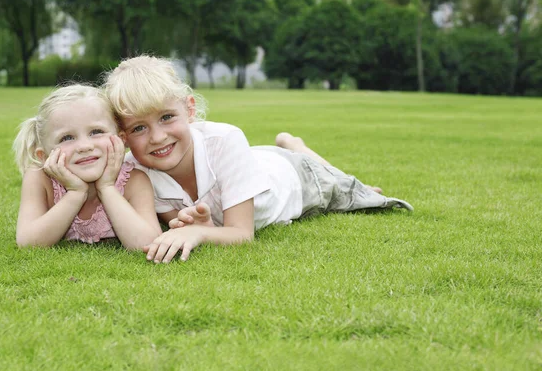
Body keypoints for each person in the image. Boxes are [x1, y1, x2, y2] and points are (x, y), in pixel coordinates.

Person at [103, 55, 413, 263]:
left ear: (190, 109)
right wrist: (200, 224)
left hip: (296, 178)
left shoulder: (225, 138)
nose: (157, 137)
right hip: (255, 163)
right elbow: (184, 222)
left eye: (167, 117)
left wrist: (197, 232)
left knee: (349, 189)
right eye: (139, 128)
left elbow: (241, 234)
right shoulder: (137, 173)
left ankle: (295, 146)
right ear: (123, 136)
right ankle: (290, 144)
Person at [13, 84, 161, 248]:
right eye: (67, 138)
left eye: (96, 132)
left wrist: (107, 187)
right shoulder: (39, 178)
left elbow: (148, 244)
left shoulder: (134, 181)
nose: (84, 146)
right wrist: (76, 193)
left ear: (121, 139)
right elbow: (28, 243)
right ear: (44, 156)